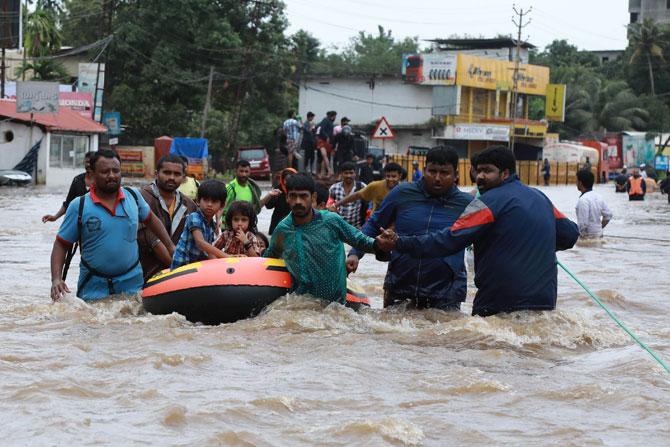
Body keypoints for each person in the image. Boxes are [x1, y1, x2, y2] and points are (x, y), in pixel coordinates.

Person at [376, 145, 579, 317]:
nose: (480, 177)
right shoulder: (540, 197)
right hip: (544, 301)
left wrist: (399, 243)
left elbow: (448, 240)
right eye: (478, 170)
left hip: (498, 302)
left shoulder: (486, 202)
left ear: (505, 173)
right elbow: (569, 234)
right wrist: (530, 244)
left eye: (488, 171)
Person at [347, 147, 473, 310]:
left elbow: (486, 241)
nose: (437, 178)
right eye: (432, 171)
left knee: (444, 334)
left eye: (444, 173)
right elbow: (374, 224)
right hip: (401, 284)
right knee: (392, 332)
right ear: (424, 169)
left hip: (446, 292)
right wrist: (355, 253)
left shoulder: (467, 204)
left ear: (455, 174)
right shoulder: (402, 193)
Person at [50, 150, 175, 301]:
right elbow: (61, 244)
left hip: (132, 284)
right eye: (105, 171)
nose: (112, 176)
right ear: (92, 175)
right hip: (93, 286)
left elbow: (152, 220)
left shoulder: (134, 197)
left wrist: (170, 246)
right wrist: (56, 279)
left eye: (116, 171)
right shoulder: (80, 205)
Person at [264, 173, 382, 304]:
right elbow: (270, 257)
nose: (298, 201)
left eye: (303, 196)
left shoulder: (331, 221)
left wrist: (380, 245)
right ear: (287, 198)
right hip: (300, 307)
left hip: (335, 306)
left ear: (313, 197)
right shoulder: (282, 229)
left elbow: (360, 240)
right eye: (293, 196)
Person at [136, 155, 198, 281]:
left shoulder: (189, 205)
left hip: (178, 273)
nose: (171, 177)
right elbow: (149, 238)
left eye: (177, 174)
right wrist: (179, 271)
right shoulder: (141, 198)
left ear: (183, 176)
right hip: (146, 272)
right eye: (167, 172)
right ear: (156, 173)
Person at [171, 180, 235, 269]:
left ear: (222, 205)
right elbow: (201, 243)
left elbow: (208, 252)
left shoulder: (211, 225)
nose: (209, 204)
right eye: (205, 200)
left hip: (194, 266)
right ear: (198, 201)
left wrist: (224, 262)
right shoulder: (194, 217)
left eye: (214, 201)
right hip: (181, 266)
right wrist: (226, 256)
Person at [330, 162, 403, 214]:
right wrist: (335, 205)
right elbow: (356, 195)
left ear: (400, 176)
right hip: (376, 223)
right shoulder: (375, 186)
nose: (390, 179)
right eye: (388, 176)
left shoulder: (404, 190)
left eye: (393, 176)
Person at [42, 151, 94, 223]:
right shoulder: (77, 180)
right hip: (77, 221)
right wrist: (55, 217)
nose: (89, 165)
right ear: (84, 162)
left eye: (92, 162)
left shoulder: (101, 182)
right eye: (87, 162)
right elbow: (68, 203)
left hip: (94, 221)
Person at [575, 169, 612, 239]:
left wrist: (578, 238)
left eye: (576, 181)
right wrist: (599, 228)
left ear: (580, 183)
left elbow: (583, 224)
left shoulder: (583, 200)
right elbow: (608, 215)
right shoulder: (598, 197)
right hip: (599, 235)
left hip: (587, 238)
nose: (576, 183)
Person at [328, 161, 366, 228]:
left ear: (355, 174)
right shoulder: (334, 188)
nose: (349, 176)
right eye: (346, 173)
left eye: (351, 173)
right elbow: (328, 205)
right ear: (341, 174)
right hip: (338, 227)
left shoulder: (362, 186)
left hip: (356, 228)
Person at [265, 167, 297, 235]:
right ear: (282, 180)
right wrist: (273, 197)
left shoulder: (298, 191)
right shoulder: (278, 190)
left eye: (291, 179)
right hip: (278, 222)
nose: (288, 182)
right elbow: (268, 206)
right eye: (286, 180)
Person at [316, 110, 337, 177]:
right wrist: (327, 137)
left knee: (324, 157)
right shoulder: (325, 120)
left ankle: (322, 173)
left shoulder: (330, 122)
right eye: (335, 116)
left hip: (327, 141)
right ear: (332, 116)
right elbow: (321, 129)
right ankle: (329, 170)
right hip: (322, 140)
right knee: (324, 155)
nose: (335, 118)